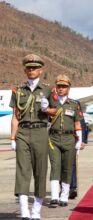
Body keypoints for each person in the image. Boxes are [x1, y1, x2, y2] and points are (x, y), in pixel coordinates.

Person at [9, 54, 56, 220]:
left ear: (40, 70)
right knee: (22, 171)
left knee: (40, 170)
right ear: (25, 70)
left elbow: (57, 112)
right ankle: (24, 210)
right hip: (22, 132)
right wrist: (13, 138)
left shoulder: (48, 90)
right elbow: (15, 116)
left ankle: (36, 209)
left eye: (34, 68)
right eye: (29, 68)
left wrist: (47, 109)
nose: (31, 70)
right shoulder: (18, 90)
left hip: (40, 132)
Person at [48, 74, 84, 207]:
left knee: (67, 168)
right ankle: (54, 196)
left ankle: (64, 196)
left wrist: (79, 142)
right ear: (55, 87)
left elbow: (77, 125)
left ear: (69, 88)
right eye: (59, 86)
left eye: (64, 86)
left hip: (69, 139)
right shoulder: (50, 103)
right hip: (53, 138)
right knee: (55, 166)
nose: (61, 88)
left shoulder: (74, 104)